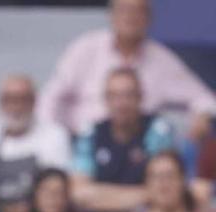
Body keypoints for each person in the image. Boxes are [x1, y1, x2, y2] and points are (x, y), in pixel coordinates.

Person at [38, 0, 216, 137]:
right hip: (81, 145)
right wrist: (53, 137)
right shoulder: (85, 49)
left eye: (138, 11)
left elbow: (205, 99)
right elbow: (51, 97)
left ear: (149, 19)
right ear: (111, 15)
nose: (130, 18)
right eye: (124, 10)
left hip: (139, 153)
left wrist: (202, 116)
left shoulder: (162, 60)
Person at [71, 67, 181, 212]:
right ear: (106, 100)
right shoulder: (91, 133)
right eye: (115, 96)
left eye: (129, 95)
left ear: (140, 97)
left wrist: (101, 196)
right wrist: (144, 195)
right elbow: (79, 194)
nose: (122, 103)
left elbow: (166, 192)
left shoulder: (158, 130)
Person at [0, 75, 72, 212]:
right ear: (0, 103)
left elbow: (55, 188)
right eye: (9, 100)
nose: (16, 107)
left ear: (34, 102)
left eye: (22, 100)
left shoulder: (54, 135)